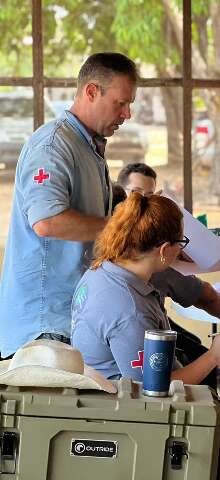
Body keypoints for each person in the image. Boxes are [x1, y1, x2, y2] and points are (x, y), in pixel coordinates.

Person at [71, 193, 220, 479]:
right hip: (132, 417)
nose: (182, 256)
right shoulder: (127, 308)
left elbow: (201, 293)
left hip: (127, 396)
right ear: (163, 249)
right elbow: (153, 392)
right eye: (180, 245)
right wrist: (216, 353)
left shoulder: (110, 268)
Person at [0, 52, 138, 358]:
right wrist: (123, 226)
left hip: (72, 317)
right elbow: (48, 221)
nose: (127, 114)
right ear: (91, 91)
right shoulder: (53, 145)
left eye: (130, 104)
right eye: (121, 103)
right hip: (44, 328)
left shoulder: (88, 147)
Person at [115, 162, 220, 364]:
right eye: (136, 194)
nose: (144, 204)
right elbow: (161, 384)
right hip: (142, 342)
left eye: (150, 197)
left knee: (192, 344)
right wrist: (217, 353)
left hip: (153, 327)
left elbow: (202, 294)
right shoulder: (149, 254)